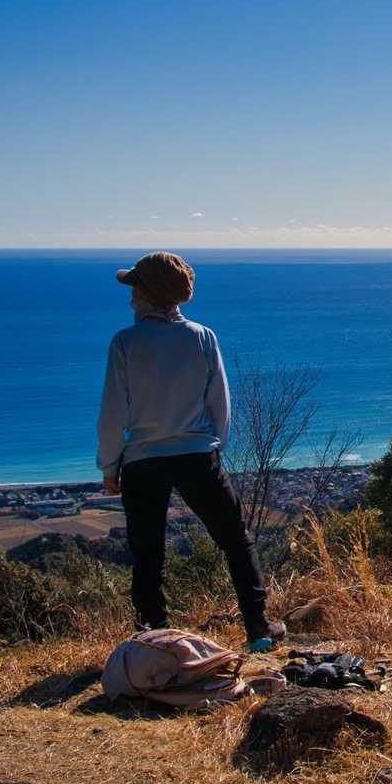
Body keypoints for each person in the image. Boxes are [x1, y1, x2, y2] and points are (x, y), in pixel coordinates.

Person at [96, 251, 285, 652]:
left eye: (135, 288)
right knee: (235, 540)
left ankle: (153, 639)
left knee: (148, 553)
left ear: (148, 293)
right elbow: (219, 402)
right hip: (197, 454)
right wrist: (215, 445)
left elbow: (113, 412)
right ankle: (259, 629)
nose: (131, 297)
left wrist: (109, 466)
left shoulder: (125, 342)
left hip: (142, 460)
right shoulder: (201, 336)